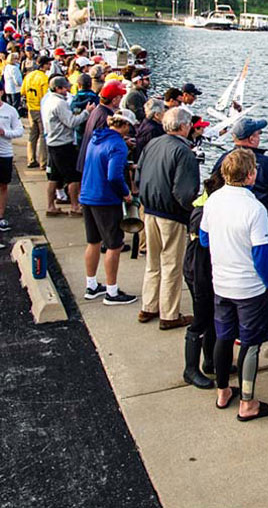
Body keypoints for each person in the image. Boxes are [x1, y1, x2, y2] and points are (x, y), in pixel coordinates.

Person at [200, 148, 268, 421]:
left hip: (221, 282)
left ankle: (223, 391)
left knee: (223, 337)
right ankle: (248, 402)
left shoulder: (213, 200)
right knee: (250, 343)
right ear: (251, 175)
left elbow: (204, 239)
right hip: (249, 288)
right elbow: (262, 254)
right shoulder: (255, 209)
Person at [136, 107, 200, 330]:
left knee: (153, 262)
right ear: (183, 126)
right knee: (172, 264)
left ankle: (148, 305)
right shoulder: (184, 152)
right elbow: (185, 191)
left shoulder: (153, 143)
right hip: (171, 213)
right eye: (189, 124)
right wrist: (191, 212)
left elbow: (139, 172)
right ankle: (170, 314)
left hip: (149, 209)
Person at [78, 112, 138, 306]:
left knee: (93, 241)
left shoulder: (95, 139)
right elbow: (113, 176)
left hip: (88, 194)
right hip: (105, 200)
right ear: (125, 126)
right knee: (114, 244)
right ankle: (112, 291)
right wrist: (126, 193)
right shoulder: (118, 145)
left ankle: (91, 285)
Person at [212, 117, 268, 242]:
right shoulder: (267, 164)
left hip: (228, 232)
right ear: (251, 138)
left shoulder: (223, 160)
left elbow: (213, 188)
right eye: (259, 133)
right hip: (262, 232)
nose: (259, 137)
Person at [182, 170, 225, 389]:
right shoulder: (202, 214)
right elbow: (199, 255)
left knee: (212, 318)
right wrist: (201, 285)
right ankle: (190, 369)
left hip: (207, 272)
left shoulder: (207, 206)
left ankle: (210, 361)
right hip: (199, 273)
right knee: (200, 320)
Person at [40, 76, 93, 216]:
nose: (67, 89)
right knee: (73, 177)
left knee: (54, 177)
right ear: (57, 88)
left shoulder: (47, 100)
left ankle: (50, 206)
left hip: (52, 142)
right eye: (65, 87)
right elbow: (71, 122)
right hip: (63, 143)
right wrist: (87, 112)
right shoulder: (60, 103)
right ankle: (75, 206)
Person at [76, 79, 127, 173]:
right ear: (114, 100)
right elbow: (104, 144)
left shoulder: (97, 110)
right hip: (93, 165)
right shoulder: (105, 117)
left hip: (87, 160)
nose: (121, 100)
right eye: (120, 97)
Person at [21, 54, 52, 169]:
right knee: (43, 135)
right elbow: (45, 96)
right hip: (40, 109)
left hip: (31, 107)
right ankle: (43, 162)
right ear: (44, 65)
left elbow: (23, 91)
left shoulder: (28, 76)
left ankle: (31, 159)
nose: (49, 66)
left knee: (33, 135)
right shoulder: (44, 78)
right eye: (48, 64)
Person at [0, 95, 24, 232]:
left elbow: (19, 131)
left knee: (3, 185)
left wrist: (5, 132)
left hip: (5, 154)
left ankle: (1, 216)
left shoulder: (10, 111)